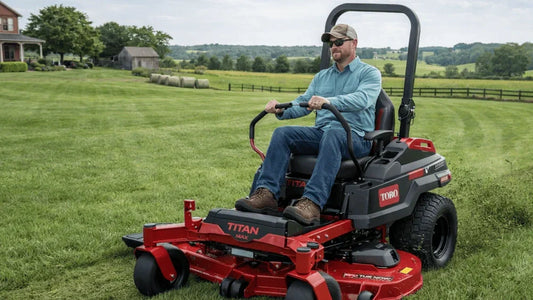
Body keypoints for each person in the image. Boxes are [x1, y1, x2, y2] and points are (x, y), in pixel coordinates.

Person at [235, 24, 382, 225]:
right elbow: (303, 103)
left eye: (339, 42)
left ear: (354, 43)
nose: (334, 47)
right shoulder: (322, 77)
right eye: (331, 44)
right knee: (282, 134)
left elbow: (362, 99)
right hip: (323, 133)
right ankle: (267, 194)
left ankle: (312, 203)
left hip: (354, 137)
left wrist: (330, 102)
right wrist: (281, 109)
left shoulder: (369, 74)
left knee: (334, 135)